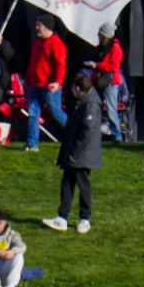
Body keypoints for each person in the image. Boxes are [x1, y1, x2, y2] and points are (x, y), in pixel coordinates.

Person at [43, 73, 101, 234]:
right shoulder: (80, 100)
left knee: (83, 185)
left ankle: (85, 219)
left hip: (83, 153)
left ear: (77, 89)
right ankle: (62, 217)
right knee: (67, 183)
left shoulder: (90, 105)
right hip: (74, 150)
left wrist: (75, 150)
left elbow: (87, 132)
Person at [23, 14, 68, 152]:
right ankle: (32, 144)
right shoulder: (37, 44)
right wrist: (28, 80)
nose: (36, 28)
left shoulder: (56, 43)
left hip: (50, 87)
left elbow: (61, 65)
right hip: (35, 86)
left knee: (56, 113)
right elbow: (33, 64)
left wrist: (58, 82)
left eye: (39, 25)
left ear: (47, 27)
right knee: (33, 114)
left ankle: (76, 134)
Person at [88, 21, 125, 142]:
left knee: (111, 109)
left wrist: (97, 65)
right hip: (102, 81)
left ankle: (117, 134)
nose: (98, 36)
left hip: (111, 83)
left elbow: (113, 67)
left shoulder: (115, 48)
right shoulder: (106, 48)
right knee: (96, 105)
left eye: (100, 34)